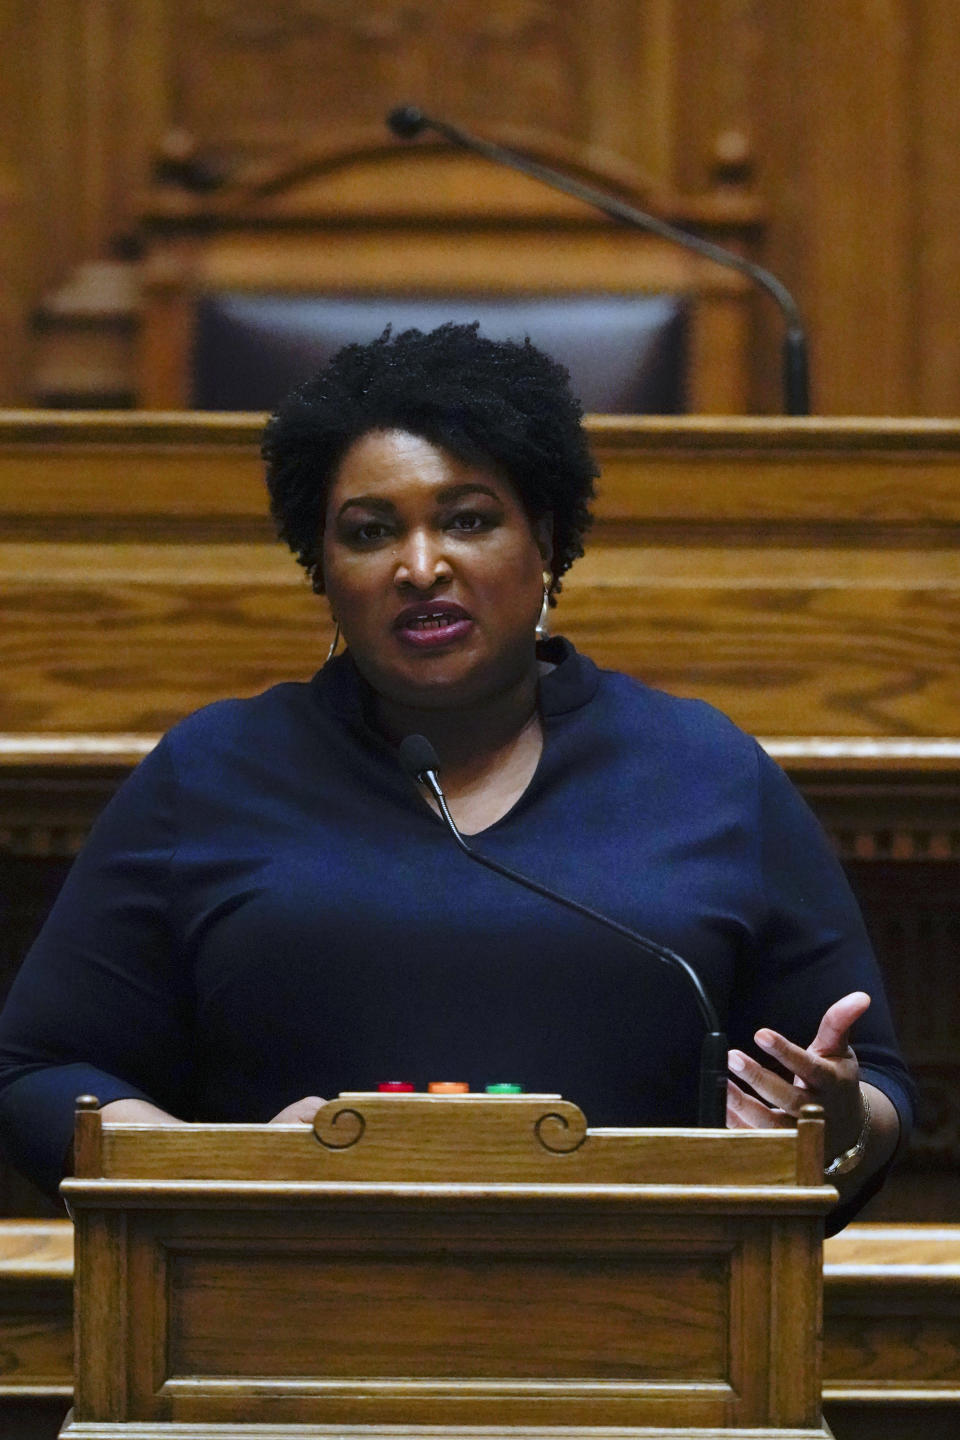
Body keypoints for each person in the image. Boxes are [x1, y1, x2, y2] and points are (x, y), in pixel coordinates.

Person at [0, 323, 912, 1229]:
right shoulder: (211, 772)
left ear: (545, 540)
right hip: (274, 1331)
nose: (422, 566)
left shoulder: (707, 774)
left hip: (650, 1327)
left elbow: (869, 1090)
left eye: (469, 519)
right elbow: (35, 1070)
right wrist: (212, 1176)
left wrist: (834, 1127)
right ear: (321, 568)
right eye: (370, 531)